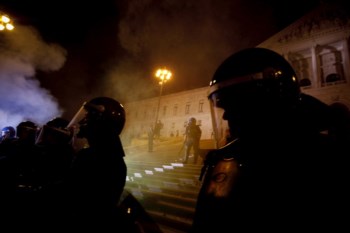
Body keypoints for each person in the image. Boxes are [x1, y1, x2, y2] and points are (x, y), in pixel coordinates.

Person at [191, 48, 348, 232]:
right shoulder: (223, 161)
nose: (225, 116)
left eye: (238, 105)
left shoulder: (327, 161)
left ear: (271, 103)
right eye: (223, 105)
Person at [66, 97, 128, 231]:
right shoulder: (110, 156)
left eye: (88, 117)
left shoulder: (96, 158)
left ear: (102, 122)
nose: (82, 121)